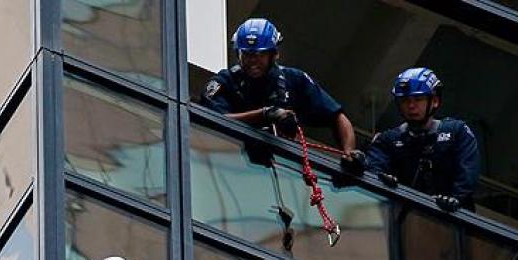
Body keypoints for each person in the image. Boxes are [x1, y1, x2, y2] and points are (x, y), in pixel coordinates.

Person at [202, 18, 364, 173]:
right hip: (229, 163)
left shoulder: (294, 80)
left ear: (274, 54)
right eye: (247, 54)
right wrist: (266, 114)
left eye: (259, 55)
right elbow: (212, 120)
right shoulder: (224, 81)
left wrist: (349, 152)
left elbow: (337, 117)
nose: (252, 61)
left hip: (282, 169)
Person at [365, 67, 481, 212]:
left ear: (435, 101)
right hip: (401, 221)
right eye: (405, 100)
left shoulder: (457, 132)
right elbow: (373, 169)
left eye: (418, 99)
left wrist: (454, 200)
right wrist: (381, 180)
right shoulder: (387, 140)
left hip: (453, 223)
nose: (411, 106)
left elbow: (468, 175)